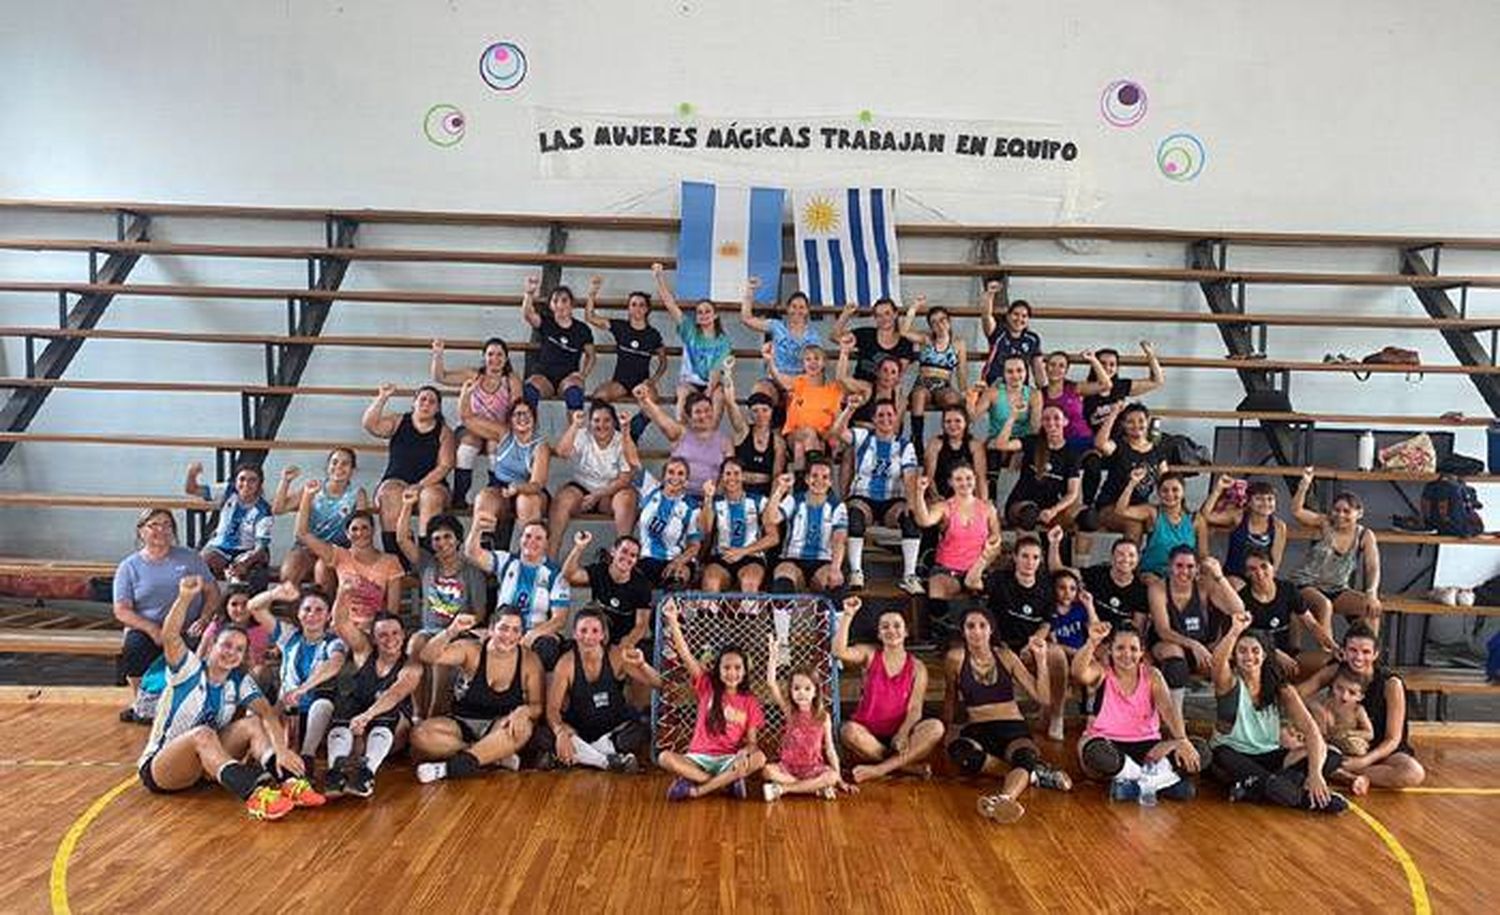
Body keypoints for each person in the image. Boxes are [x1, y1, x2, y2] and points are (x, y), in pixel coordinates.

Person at [134, 576, 314, 821]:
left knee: (252, 723)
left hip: (204, 767)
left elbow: (268, 714)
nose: (232, 653)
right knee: (203, 733)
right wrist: (185, 598)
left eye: (239, 650)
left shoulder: (238, 681)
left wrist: (281, 751)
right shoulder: (188, 669)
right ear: (211, 647)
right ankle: (254, 794)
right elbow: (170, 636)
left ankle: (288, 781)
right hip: (162, 769)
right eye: (226, 645)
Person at [1208, 611, 1347, 813]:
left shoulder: (1282, 690)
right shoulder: (1229, 684)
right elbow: (1217, 663)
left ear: (1264, 655)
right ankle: (1304, 799)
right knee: (1223, 757)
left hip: (1268, 756)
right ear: (1235, 656)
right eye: (1242, 651)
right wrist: (1235, 630)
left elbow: (1311, 730)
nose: (1249, 656)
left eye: (1255, 651)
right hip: (1231, 756)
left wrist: (1315, 774)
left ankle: (1255, 789)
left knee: (1332, 755)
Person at [942, 608, 1071, 823]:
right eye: (970, 626)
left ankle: (1004, 799)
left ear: (991, 630)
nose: (976, 631)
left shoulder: (1006, 656)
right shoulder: (955, 658)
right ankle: (1034, 774)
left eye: (982, 626)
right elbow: (950, 698)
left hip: (1012, 726)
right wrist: (948, 731)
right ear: (963, 631)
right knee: (961, 753)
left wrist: (1041, 661)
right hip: (978, 729)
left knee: (1024, 757)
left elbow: (1043, 698)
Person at [1072, 622, 1201, 802]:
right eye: (1120, 648)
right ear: (1110, 650)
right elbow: (1078, 672)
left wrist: (1182, 740)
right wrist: (1091, 643)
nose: (1127, 654)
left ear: (1142, 652)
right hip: (1110, 747)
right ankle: (1153, 781)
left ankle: (1133, 784)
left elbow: (1168, 710)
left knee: (1200, 749)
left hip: (1149, 749)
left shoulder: (1153, 675)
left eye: (1133, 649)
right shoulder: (1101, 672)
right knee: (1093, 750)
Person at [411, 608, 543, 782]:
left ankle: (448, 768)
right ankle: (493, 756)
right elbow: (427, 656)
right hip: (461, 724)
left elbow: (537, 705)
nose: (509, 635)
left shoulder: (530, 661)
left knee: (524, 728)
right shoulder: (471, 650)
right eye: (503, 628)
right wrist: (451, 631)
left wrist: (524, 711)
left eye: (515, 630)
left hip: (499, 727)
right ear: (490, 629)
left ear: (521, 635)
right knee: (419, 735)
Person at [113, 508, 219, 722]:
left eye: (166, 525)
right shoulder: (129, 566)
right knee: (134, 647)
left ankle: (197, 705)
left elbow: (213, 592)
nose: (161, 530)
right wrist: (152, 629)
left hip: (188, 627)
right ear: (141, 531)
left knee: (206, 648)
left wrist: (205, 617)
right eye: (154, 525)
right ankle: (141, 703)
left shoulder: (190, 558)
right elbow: (122, 610)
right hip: (150, 628)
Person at [658, 599, 767, 800]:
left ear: (744, 672)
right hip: (698, 758)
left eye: (737, 668)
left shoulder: (749, 700)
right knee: (664, 758)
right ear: (718, 669)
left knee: (760, 758)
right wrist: (673, 620)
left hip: (728, 759)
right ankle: (725, 783)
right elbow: (685, 654)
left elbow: (753, 743)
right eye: (726, 668)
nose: (731, 673)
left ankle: (699, 788)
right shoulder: (707, 685)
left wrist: (744, 752)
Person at [318, 586, 421, 799]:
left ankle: (367, 774)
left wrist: (367, 716)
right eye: (382, 635)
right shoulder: (364, 652)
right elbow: (340, 624)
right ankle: (334, 773)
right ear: (373, 638)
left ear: (403, 635)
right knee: (345, 705)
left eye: (395, 633)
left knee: (386, 713)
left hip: (389, 729)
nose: (390, 639)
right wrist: (343, 593)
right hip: (359, 724)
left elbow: (394, 694)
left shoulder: (411, 666)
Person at [1297, 623, 1426, 788]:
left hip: (1380, 748)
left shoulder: (1391, 684)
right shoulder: (1336, 670)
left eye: (1365, 652)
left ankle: (1336, 772)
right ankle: (1336, 770)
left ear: (1375, 654)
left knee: (1413, 773)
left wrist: (1364, 761)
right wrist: (1315, 707)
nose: (1358, 657)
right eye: (1353, 650)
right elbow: (1296, 694)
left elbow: (1393, 739)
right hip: (1341, 744)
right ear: (1343, 651)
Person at [834, 596, 944, 782]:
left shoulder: (918, 667)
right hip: (868, 734)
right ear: (879, 634)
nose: (891, 630)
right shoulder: (869, 654)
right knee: (848, 731)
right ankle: (906, 767)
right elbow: (839, 652)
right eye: (885, 627)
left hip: (901, 734)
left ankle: (878, 770)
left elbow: (915, 709)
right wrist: (848, 615)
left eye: (896, 626)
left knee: (936, 727)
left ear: (906, 632)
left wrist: (903, 733)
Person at [542, 607, 660, 772]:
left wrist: (642, 665)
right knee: (545, 735)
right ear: (574, 634)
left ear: (603, 635)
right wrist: (560, 732)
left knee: (643, 730)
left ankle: (583, 755)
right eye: (583, 630)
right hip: (579, 730)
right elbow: (552, 710)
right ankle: (606, 761)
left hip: (612, 731)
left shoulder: (617, 656)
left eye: (595, 631)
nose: (588, 636)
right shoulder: (566, 663)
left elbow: (658, 682)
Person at [981, 530, 1070, 740]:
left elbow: (1047, 622)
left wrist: (1035, 641)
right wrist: (984, 558)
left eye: (1035, 557)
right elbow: (973, 585)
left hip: (1031, 645)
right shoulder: (1000, 580)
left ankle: (1057, 716)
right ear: (1015, 557)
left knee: (1057, 655)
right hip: (1001, 645)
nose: (1030, 562)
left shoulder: (1046, 586)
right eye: (1025, 556)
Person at [831, 397, 922, 592]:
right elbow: (837, 432)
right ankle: (856, 572)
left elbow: (910, 476)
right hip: (863, 497)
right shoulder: (864, 436)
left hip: (892, 500)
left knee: (910, 519)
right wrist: (849, 409)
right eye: (880, 415)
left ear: (896, 417)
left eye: (890, 414)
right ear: (873, 419)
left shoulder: (905, 445)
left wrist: (911, 503)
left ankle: (909, 575)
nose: (885, 419)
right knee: (854, 518)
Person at [465, 514, 571, 669]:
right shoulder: (506, 561)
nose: (531, 541)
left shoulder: (555, 574)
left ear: (547, 543)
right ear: (520, 539)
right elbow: (472, 553)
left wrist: (532, 634)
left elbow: (559, 619)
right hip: (502, 628)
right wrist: (477, 528)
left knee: (548, 648)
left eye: (538, 538)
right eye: (527, 536)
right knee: (464, 642)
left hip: (535, 630)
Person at [294, 480, 404, 629]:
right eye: (354, 529)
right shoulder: (340, 555)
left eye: (365, 528)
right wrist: (307, 496)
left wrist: (371, 626)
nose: (360, 533)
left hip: (373, 628)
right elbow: (303, 534)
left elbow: (392, 610)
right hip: (341, 625)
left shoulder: (390, 561)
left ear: (373, 530)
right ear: (347, 534)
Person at [1148, 548, 1243, 719]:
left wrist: (1220, 577)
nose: (1184, 572)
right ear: (1170, 566)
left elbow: (1238, 610)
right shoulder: (1158, 588)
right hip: (1169, 645)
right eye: (1179, 566)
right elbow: (1163, 630)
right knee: (1174, 654)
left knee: (1223, 665)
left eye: (1190, 566)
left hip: (1202, 649)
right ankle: (1174, 718)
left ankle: (1226, 718)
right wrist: (1193, 645)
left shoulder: (1204, 586)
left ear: (1197, 568)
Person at [430, 337, 522, 508]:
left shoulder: (511, 380)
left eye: (500, 355)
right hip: (471, 427)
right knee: (468, 444)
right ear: (484, 357)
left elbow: (516, 411)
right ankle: (460, 495)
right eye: (490, 354)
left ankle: (496, 490)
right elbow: (440, 377)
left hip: (497, 431)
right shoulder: (473, 375)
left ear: (506, 358)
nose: (495, 359)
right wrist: (438, 354)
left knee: (495, 443)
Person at [364, 382, 455, 550]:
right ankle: (398, 560)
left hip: (432, 483)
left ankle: (426, 559)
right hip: (396, 480)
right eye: (423, 399)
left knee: (430, 496)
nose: (426, 404)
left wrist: (419, 486)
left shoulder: (444, 432)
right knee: (389, 494)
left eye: (432, 401)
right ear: (414, 403)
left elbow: (445, 466)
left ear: (438, 409)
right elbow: (370, 424)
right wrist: (382, 397)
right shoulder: (398, 421)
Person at [1289, 468, 1383, 632]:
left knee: (1371, 609)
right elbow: (1297, 512)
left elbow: (1372, 566)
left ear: (1359, 513)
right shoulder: (1325, 523)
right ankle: (1330, 653)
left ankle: (1366, 653)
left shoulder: (1365, 535)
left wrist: (1371, 593)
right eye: (1337, 510)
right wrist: (1304, 485)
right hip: (1306, 584)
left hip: (1337, 588)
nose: (1340, 515)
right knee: (1324, 606)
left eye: (1347, 511)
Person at [763, 632, 851, 802]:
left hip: (813, 768)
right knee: (767, 771)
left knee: (831, 776)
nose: (801, 693)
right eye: (796, 688)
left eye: (806, 688)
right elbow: (771, 683)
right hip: (788, 769)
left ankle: (784, 790)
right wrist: (773, 655)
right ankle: (813, 788)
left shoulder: (823, 717)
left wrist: (839, 779)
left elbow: (830, 749)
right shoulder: (790, 711)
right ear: (790, 691)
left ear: (815, 691)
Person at [463, 389, 550, 550]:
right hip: (502, 489)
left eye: (527, 414)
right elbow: (468, 419)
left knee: (526, 500)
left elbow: (537, 484)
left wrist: (517, 487)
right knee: (484, 497)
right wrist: (466, 393)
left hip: (530, 491)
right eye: (517, 414)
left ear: (534, 418)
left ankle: (529, 554)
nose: (522, 418)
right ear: (510, 420)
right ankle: (484, 552)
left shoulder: (540, 446)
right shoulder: (503, 433)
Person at [548, 401, 641, 551]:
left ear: (614, 422)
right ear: (590, 423)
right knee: (562, 500)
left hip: (610, 493)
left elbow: (625, 479)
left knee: (627, 497)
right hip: (581, 489)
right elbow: (561, 452)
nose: (601, 425)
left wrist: (597, 495)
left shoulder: (621, 440)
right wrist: (574, 425)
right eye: (596, 420)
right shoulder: (582, 434)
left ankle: (622, 550)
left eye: (607, 420)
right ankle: (551, 553)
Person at [580, 274, 667, 435]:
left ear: (647, 309)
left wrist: (652, 381)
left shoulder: (653, 334)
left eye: (641, 305)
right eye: (633, 304)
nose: (637, 308)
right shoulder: (621, 327)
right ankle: (616, 431)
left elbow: (663, 362)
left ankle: (632, 433)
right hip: (619, 382)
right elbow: (590, 317)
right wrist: (592, 293)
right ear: (628, 308)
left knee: (653, 404)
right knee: (598, 398)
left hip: (641, 383)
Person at [270, 450, 367, 590]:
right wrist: (285, 481)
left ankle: (327, 611)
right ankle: (297, 611)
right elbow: (277, 509)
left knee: (323, 573)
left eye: (345, 464)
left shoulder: (357, 493)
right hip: (305, 547)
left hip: (335, 550)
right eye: (334, 462)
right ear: (328, 466)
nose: (339, 467)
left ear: (353, 470)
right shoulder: (313, 487)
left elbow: (362, 527)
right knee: (288, 573)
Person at [1238, 547, 1338, 678]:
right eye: (1253, 569)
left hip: (1290, 655)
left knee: (1332, 663)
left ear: (1273, 567)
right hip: (1261, 658)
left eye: (1264, 567)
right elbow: (1245, 638)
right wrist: (1275, 654)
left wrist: (1334, 646)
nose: (1260, 573)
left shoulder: (1288, 589)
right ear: (1247, 573)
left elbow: (1312, 624)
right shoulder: (1242, 599)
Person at [909, 466, 1001, 608]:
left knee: (989, 597)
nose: (964, 483)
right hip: (948, 569)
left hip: (978, 570)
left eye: (968, 478)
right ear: (951, 482)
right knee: (936, 601)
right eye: (959, 479)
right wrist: (920, 493)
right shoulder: (944, 507)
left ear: (975, 480)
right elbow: (924, 520)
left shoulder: (987, 508)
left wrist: (986, 556)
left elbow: (996, 537)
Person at [652, 262, 731, 409]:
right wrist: (659, 277)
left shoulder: (723, 341)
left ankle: (711, 431)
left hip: (712, 383)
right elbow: (670, 304)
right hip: (690, 383)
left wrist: (708, 392)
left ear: (715, 315)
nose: (703, 315)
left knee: (720, 396)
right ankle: (683, 431)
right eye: (699, 312)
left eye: (707, 311)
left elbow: (716, 369)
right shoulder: (689, 330)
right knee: (682, 394)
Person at [633, 385, 731, 501]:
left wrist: (713, 499)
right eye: (698, 412)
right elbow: (660, 417)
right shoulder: (680, 433)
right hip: (679, 497)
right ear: (689, 417)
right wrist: (645, 399)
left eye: (707, 410)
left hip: (710, 499)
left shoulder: (725, 442)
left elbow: (728, 474)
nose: (704, 415)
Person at [561, 532, 654, 651]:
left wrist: (626, 645)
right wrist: (579, 547)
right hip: (597, 633)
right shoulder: (600, 570)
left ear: (636, 560)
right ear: (613, 552)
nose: (627, 558)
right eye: (624, 551)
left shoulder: (642, 585)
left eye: (633, 555)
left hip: (624, 638)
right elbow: (569, 575)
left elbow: (641, 625)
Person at [185, 460, 273, 585]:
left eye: (252, 480)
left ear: (260, 484)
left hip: (247, 550)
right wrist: (192, 473)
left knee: (251, 575)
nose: (246, 484)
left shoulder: (263, 510)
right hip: (219, 548)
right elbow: (191, 489)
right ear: (236, 481)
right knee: (197, 566)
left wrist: (244, 563)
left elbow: (260, 547)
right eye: (242, 479)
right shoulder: (228, 491)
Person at [997, 404, 1083, 531]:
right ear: (1042, 422)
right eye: (1046, 419)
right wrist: (1012, 417)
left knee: (1084, 519)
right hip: (1022, 504)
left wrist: (1054, 510)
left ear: (1065, 421)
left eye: (1056, 418)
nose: (1051, 422)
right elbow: (1001, 445)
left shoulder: (1071, 453)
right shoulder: (1032, 442)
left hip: (1050, 507)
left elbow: (1072, 492)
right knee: (1029, 515)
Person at [765, 464, 848, 594]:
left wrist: (836, 568)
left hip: (822, 561)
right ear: (807, 479)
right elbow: (772, 518)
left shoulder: (837, 506)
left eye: (825, 477)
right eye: (814, 476)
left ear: (831, 482)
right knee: (783, 580)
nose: (819, 481)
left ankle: (829, 614)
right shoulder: (794, 500)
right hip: (792, 559)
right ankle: (782, 614)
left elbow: (839, 539)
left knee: (835, 584)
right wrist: (780, 491)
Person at [739, 277, 823, 404]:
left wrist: (795, 383)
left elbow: (816, 368)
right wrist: (750, 291)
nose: (797, 311)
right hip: (774, 379)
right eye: (793, 306)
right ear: (788, 309)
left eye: (801, 307)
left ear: (807, 311)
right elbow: (747, 319)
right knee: (760, 391)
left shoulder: (813, 337)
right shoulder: (776, 326)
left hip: (800, 381)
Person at [899, 294, 967, 446]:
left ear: (949, 321)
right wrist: (914, 308)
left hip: (943, 384)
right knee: (919, 395)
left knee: (952, 398)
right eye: (934, 322)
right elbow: (904, 332)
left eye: (942, 320)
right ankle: (917, 440)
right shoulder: (926, 339)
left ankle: (950, 438)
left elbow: (961, 371)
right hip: (923, 382)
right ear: (931, 326)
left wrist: (964, 391)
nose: (939, 325)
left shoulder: (958, 344)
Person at [520, 275, 595, 413]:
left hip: (568, 377)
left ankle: (575, 433)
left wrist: (582, 375)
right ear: (551, 305)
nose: (560, 305)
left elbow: (591, 356)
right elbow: (528, 314)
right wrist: (529, 293)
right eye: (555, 301)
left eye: (564, 300)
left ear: (572, 304)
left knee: (574, 393)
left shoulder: (582, 329)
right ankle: (529, 433)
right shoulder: (546, 322)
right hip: (544, 377)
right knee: (529, 391)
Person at [698, 463, 777, 593]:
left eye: (736, 473)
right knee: (711, 581)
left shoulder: (759, 501)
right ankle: (711, 612)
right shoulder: (715, 502)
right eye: (728, 474)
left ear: (743, 477)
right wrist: (707, 498)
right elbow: (705, 528)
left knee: (750, 581)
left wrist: (742, 551)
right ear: (722, 477)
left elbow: (773, 537)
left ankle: (748, 613)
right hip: (721, 556)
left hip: (751, 556)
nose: (732, 478)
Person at [1114, 470, 1208, 579]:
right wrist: (1132, 484)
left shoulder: (1196, 520)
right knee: (1157, 586)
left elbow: (1203, 555)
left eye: (1175, 490)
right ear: (1158, 493)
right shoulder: (1152, 513)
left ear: (1183, 492)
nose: (1170, 494)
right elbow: (1120, 511)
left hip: (1183, 575)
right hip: (1152, 573)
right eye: (1165, 490)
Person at [1092, 401, 1164, 541]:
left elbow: (1166, 479)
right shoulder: (1119, 445)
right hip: (1111, 507)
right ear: (1123, 425)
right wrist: (1113, 414)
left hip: (1138, 508)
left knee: (1158, 521)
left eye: (1141, 421)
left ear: (1148, 421)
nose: (1136, 425)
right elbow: (1100, 444)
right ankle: (1128, 562)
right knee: (1134, 526)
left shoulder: (1156, 450)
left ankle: (1154, 560)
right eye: (1130, 422)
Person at [768, 342, 846, 470]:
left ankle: (802, 484)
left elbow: (837, 421)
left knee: (801, 447)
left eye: (817, 358)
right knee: (808, 434)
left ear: (824, 362)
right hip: (795, 433)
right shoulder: (798, 382)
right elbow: (778, 377)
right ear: (803, 364)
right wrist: (770, 360)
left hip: (823, 437)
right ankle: (815, 471)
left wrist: (844, 352)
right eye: (808, 359)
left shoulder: (833, 390)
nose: (812, 363)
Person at [631, 458, 703, 588]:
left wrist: (678, 562)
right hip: (647, 558)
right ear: (663, 476)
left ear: (686, 481)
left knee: (677, 577)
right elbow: (632, 460)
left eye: (681, 474)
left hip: (677, 559)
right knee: (633, 579)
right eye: (671, 472)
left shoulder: (691, 506)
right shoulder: (650, 489)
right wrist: (625, 436)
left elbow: (694, 546)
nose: (675, 477)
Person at [197, 581, 276, 698]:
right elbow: (200, 654)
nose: (239, 609)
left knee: (261, 671)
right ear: (226, 606)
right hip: (218, 673)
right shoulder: (216, 626)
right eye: (234, 604)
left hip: (248, 677)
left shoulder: (262, 629)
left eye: (245, 604)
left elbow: (271, 656)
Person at [1203, 478, 1288, 586]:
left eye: (1270, 499)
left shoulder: (1279, 527)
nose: (1265, 503)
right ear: (1249, 502)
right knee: (1238, 586)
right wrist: (1218, 489)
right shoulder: (1238, 516)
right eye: (1259, 499)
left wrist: (1266, 582)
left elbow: (1275, 562)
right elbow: (1207, 515)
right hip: (1234, 576)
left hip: (1261, 577)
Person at [1060, 537, 1149, 637]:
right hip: (1088, 635)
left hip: (1118, 642)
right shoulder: (1096, 573)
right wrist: (1054, 543)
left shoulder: (1141, 590)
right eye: (1120, 554)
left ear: (1138, 559)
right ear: (1112, 557)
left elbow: (1138, 630)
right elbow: (1058, 570)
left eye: (1131, 555)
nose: (1126, 559)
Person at [722, 361, 785, 498]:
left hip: (764, 493)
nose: (760, 415)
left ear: (771, 412)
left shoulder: (778, 442)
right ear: (750, 413)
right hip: (739, 491)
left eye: (764, 410)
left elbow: (777, 476)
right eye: (755, 411)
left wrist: (771, 503)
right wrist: (727, 373)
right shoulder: (743, 432)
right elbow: (730, 402)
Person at [972, 355, 1043, 474]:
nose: (1015, 376)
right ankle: (990, 487)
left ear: (1026, 372)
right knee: (990, 450)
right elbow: (973, 417)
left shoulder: (1034, 394)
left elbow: (1035, 428)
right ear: (1004, 374)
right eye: (1010, 371)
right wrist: (971, 398)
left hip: (1021, 440)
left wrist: (1020, 449)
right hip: (996, 440)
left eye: (1019, 370)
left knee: (1035, 451)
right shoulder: (993, 393)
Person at [832, 297, 916, 396]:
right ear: (875, 318)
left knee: (901, 400)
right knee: (845, 384)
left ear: (895, 314)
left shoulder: (904, 343)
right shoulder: (866, 334)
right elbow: (835, 336)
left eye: (887, 313)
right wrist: (845, 314)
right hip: (859, 386)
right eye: (879, 315)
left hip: (885, 388)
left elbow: (897, 375)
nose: (884, 318)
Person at [1081, 342, 1166, 435]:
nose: (1107, 368)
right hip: (1092, 440)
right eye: (1102, 364)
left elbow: (1157, 381)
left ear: (1117, 368)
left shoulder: (1121, 385)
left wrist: (1150, 353)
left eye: (1112, 364)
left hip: (1120, 441)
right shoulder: (1084, 388)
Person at [1040, 349, 1110, 453]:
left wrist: (1093, 360)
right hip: (1054, 444)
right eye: (1052, 364)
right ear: (1045, 368)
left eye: (1061, 366)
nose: (1056, 369)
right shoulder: (1039, 394)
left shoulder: (1074, 388)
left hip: (1081, 438)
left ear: (1066, 370)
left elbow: (1106, 385)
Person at [978, 282, 1045, 385]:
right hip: (994, 384)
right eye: (1016, 314)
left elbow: (1038, 368)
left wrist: (1043, 391)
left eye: (1024, 316)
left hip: (1020, 388)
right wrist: (990, 294)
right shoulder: (998, 332)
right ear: (1008, 316)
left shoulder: (1032, 339)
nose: (1019, 319)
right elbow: (986, 316)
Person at [925, 405, 988, 502]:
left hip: (967, 497)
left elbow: (980, 478)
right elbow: (929, 477)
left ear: (966, 423)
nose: (952, 425)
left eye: (957, 421)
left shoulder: (975, 445)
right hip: (940, 496)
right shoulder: (935, 444)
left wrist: (982, 503)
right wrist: (937, 498)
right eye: (948, 421)